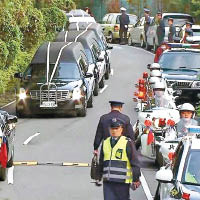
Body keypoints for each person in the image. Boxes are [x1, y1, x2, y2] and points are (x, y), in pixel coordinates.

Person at [99, 118, 141, 200]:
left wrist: (136, 178)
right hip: (108, 181)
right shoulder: (105, 142)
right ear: (109, 129)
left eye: (116, 128)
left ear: (121, 129)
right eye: (112, 128)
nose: (114, 131)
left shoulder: (127, 143)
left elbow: (134, 162)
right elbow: (101, 161)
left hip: (122, 182)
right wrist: (98, 176)